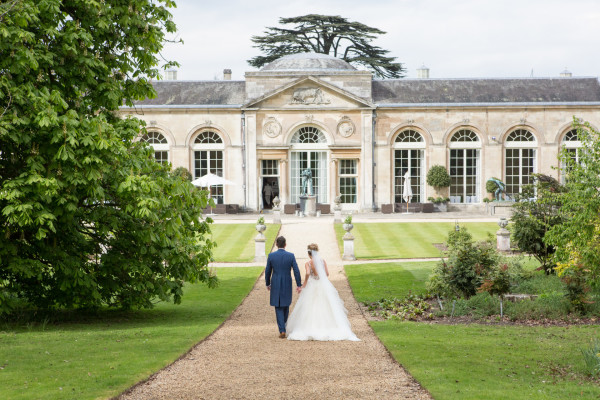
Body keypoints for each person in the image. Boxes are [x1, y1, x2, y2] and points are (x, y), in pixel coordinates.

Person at [286, 243, 360, 341]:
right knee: (326, 304)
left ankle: (310, 327)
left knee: (310, 306)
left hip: (312, 285)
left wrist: (304, 283)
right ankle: (328, 326)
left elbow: (308, 273)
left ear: (309, 254)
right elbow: (327, 273)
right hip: (322, 284)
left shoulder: (308, 263)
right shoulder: (322, 261)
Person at [265, 236, 302, 339]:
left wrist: (267, 283)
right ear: (285, 244)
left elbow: (268, 271)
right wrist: (299, 284)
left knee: (278, 305)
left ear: (276, 244)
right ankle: (283, 327)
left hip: (276, 282)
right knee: (285, 304)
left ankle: (282, 329)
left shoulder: (271, 256)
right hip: (287, 281)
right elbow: (296, 271)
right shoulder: (290, 256)